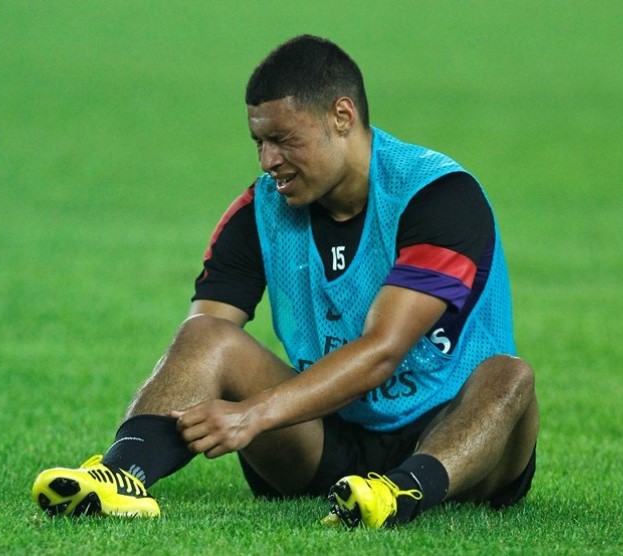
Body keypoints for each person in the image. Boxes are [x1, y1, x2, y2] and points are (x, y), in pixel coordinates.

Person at [31, 34, 539, 529]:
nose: (267, 160)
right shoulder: (259, 211)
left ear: (342, 117)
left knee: (509, 377)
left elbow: (384, 349)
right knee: (205, 337)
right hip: (329, 444)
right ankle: (120, 475)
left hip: (455, 439)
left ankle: (403, 492)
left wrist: (253, 414)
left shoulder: (438, 196)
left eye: (282, 139)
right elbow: (202, 345)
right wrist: (210, 408)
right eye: (259, 141)